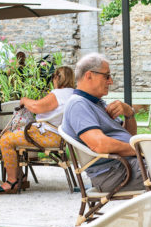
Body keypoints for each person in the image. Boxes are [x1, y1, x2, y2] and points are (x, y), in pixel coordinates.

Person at [60, 53, 145, 192]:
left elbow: (127, 134)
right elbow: (99, 144)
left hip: (125, 166)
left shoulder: (96, 102)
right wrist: (142, 150)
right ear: (89, 76)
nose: (110, 81)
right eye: (106, 76)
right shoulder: (78, 104)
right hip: (117, 173)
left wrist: (129, 113)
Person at [0, 66, 75, 193]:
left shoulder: (58, 94)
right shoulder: (73, 94)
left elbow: (36, 107)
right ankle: (19, 175)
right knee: (11, 136)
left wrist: (24, 100)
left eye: (53, 78)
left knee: (5, 139)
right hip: (61, 136)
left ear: (57, 78)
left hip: (48, 136)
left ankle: (12, 181)